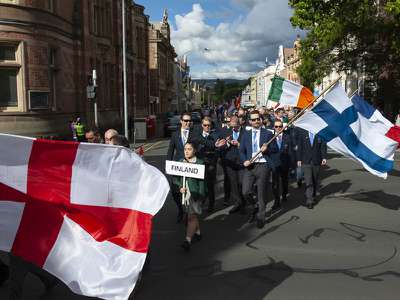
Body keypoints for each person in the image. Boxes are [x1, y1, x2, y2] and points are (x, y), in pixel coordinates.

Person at [240, 110, 278, 228]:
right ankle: (255, 205)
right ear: (250, 121)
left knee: (261, 193)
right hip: (250, 166)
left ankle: (261, 217)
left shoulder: (268, 133)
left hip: (263, 166)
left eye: (258, 119)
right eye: (254, 119)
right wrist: (244, 160)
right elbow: (241, 150)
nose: (256, 121)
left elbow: (275, 149)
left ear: (261, 120)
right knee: (245, 191)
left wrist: (267, 149)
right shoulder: (246, 134)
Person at [173, 143, 206, 251]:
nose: (186, 151)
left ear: (194, 151)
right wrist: (180, 187)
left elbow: (202, 183)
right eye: (185, 149)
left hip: (195, 193)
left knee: (191, 216)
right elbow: (175, 178)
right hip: (184, 193)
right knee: (191, 215)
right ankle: (198, 233)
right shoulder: (180, 162)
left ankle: (187, 240)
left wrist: (201, 196)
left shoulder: (200, 163)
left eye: (189, 149)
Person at [167, 112, 194, 222]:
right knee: (175, 190)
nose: (188, 123)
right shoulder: (175, 134)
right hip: (177, 166)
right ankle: (180, 209)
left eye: (189, 121)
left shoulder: (194, 133)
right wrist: (168, 164)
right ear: (181, 121)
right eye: (186, 121)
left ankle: (189, 212)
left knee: (189, 190)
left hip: (191, 166)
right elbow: (170, 150)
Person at [217, 115, 246, 214]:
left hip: (242, 162)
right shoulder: (225, 132)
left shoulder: (246, 132)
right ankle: (238, 203)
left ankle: (243, 201)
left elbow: (249, 146)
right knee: (233, 184)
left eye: (235, 125)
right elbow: (220, 146)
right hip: (229, 162)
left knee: (241, 183)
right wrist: (227, 144)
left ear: (239, 123)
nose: (233, 127)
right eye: (231, 124)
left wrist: (238, 144)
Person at [191, 117, 218, 212]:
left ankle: (211, 204)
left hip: (211, 163)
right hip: (199, 162)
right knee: (200, 184)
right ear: (202, 125)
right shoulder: (197, 135)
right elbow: (191, 145)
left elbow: (215, 146)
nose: (207, 127)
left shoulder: (215, 135)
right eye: (205, 125)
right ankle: (201, 202)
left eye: (208, 125)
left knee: (210, 185)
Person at [297, 129, 327, 209]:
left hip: (316, 160)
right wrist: (299, 159)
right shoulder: (303, 133)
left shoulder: (319, 133)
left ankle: (313, 195)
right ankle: (309, 200)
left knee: (314, 179)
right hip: (306, 161)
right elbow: (300, 146)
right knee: (308, 180)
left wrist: (324, 157)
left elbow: (323, 146)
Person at [270, 120, 291, 211]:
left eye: (280, 126)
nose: (278, 128)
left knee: (284, 180)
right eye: (276, 126)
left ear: (283, 127)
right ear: (273, 127)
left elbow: (290, 152)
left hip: (284, 163)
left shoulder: (287, 137)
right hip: (274, 164)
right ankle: (276, 201)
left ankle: (284, 194)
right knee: (275, 183)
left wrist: (291, 164)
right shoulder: (270, 137)